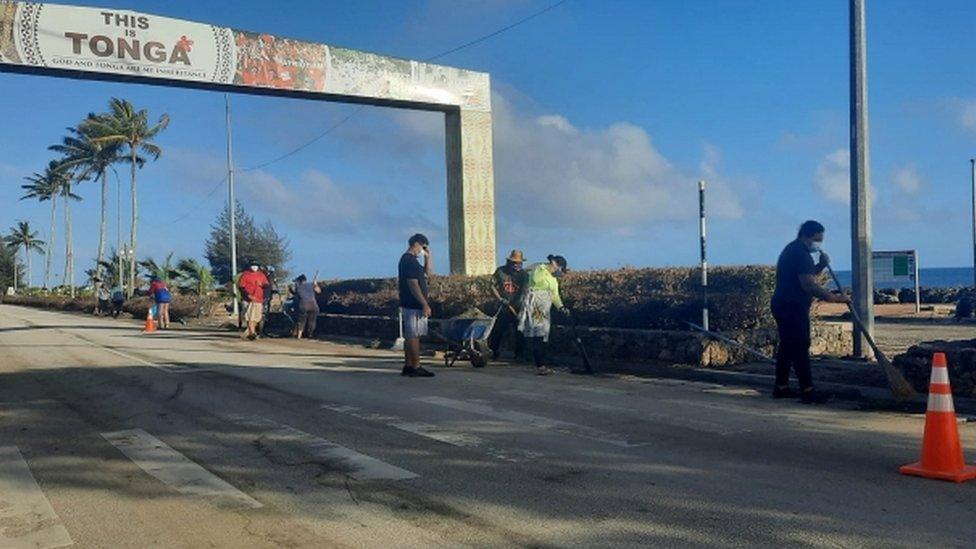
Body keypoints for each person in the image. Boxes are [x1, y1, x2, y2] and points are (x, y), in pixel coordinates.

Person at [772, 220, 851, 404]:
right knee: (800, 346)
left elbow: (806, 275)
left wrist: (821, 265)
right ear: (806, 235)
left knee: (787, 347)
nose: (819, 244)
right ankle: (808, 390)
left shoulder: (793, 250)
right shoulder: (800, 253)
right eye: (817, 240)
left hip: (783, 304)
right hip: (792, 307)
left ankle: (781, 387)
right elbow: (808, 284)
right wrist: (835, 298)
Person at [518, 255, 568, 376]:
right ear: (555, 264)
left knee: (544, 333)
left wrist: (561, 307)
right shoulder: (539, 269)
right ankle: (540, 365)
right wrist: (547, 269)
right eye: (559, 268)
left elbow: (555, 295)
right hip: (536, 306)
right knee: (539, 333)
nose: (559, 271)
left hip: (545, 307)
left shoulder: (553, 280)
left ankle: (543, 362)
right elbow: (536, 280)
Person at [398, 233, 435, 377]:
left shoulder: (411, 261)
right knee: (414, 336)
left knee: (410, 335)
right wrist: (424, 304)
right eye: (423, 247)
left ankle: (408, 365)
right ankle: (416, 366)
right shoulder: (409, 261)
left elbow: (428, 273)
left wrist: (428, 257)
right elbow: (413, 284)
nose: (423, 250)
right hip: (413, 304)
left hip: (411, 303)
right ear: (417, 244)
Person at [488, 250, 528, 360]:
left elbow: (524, 291)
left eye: (519, 263)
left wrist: (517, 304)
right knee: (498, 330)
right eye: (514, 263)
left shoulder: (524, 275)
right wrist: (500, 298)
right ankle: (493, 351)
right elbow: (491, 286)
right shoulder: (500, 271)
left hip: (517, 308)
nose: (517, 265)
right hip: (502, 308)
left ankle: (519, 355)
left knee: (519, 332)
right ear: (509, 262)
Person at [238, 264, 270, 340]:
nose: (254, 267)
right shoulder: (245, 275)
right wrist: (248, 295)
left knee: (256, 317)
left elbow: (266, 285)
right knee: (249, 317)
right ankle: (252, 333)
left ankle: (250, 332)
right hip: (248, 300)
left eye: (256, 265)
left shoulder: (261, 275)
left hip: (259, 299)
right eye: (252, 265)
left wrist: (262, 286)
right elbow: (241, 287)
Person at [291, 273, 321, 339]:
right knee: (312, 320)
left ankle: (299, 335)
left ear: (300, 281)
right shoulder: (311, 285)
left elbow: (296, 296)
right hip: (313, 305)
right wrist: (315, 284)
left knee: (301, 320)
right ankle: (310, 334)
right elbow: (319, 291)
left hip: (303, 305)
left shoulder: (298, 287)